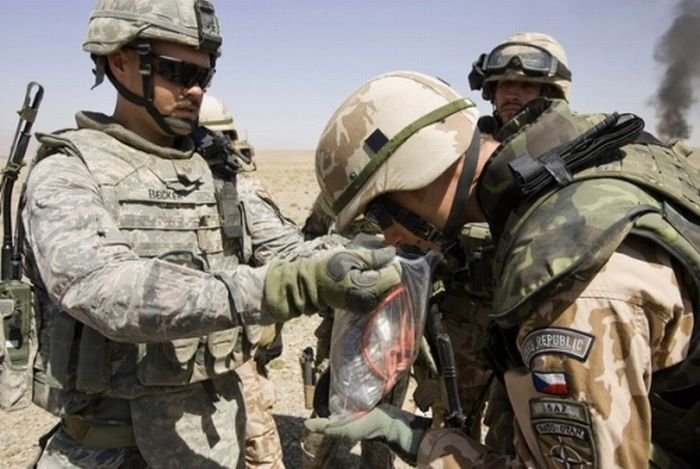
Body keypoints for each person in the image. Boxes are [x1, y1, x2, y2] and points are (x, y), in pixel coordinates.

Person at [20, 1, 402, 467]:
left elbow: (290, 252)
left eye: (205, 75)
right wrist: (284, 287)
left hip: (216, 447)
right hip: (105, 451)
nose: (196, 89)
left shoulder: (217, 168)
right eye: (177, 71)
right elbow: (105, 289)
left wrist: (366, 255)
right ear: (119, 61)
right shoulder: (68, 170)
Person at [305, 70, 699, 468]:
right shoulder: (584, 160)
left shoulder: (567, 280)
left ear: (417, 171)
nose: (389, 239)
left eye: (379, 213)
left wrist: (414, 439)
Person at [468, 32, 572, 138]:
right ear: (493, 92)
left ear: (552, 94)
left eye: (527, 85)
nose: (511, 96)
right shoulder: (477, 140)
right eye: (505, 84)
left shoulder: (572, 140)